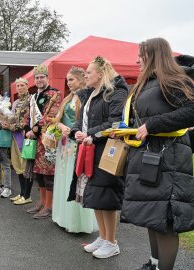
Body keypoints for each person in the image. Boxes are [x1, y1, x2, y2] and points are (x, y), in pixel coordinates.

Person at [120, 38, 194, 270]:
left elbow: (191, 111)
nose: (136, 60)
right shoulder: (146, 83)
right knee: (152, 214)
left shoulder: (173, 79)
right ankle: (153, 264)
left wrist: (153, 125)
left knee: (166, 221)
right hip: (149, 158)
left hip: (168, 161)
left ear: (153, 55)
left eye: (141, 55)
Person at [70, 56, 128, 258]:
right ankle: (103, 237)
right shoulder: (91, 94)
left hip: (105, 152)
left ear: (101, 74)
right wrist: (76, 131)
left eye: (88, 72)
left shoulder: (115, 92)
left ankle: (112, 242)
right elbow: (81, 120)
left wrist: (90, 134)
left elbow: (114, 122)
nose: (85, 75)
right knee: (95, 196)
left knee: (106, 197)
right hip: (89, 150)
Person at [52, 67, 97, 233]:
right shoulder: (68, 98)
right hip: (65, 144)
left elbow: (87, 122)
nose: (68, 83)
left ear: (81, 79)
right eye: (67, 80)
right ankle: (63, 217)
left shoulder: (87, 98)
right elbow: (57, 120)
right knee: (64, 178)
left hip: (77, 144)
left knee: (75, 178)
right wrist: (62, 126)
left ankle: (77, 222)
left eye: (71, 79)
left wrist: (73, 132)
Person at [25, 65, 62, 219]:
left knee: (48, 174)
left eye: (42, 77)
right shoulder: (33, 97)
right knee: (38, 173)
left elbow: (51, 116)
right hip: (34, 139)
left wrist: (34, 130)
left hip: (47, 139)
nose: (39, 80)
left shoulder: (54, 94)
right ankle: (42, 201)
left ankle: (49, 206)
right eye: (37, 77)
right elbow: (28, 115)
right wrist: (26, 128)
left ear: (47, 78)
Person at [5, 78, 33, 205]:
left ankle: (27, 195)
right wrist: (5, 121)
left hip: (24, 136)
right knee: (17, 166)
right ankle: (22, 193)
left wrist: (10, 126)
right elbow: (12, 118)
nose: (20, 88)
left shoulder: (31, 100)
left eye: (22, 85)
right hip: (14, 136)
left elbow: (28, 120)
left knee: (25, 165)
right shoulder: (15, 102)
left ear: (27, 86)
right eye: (18, 86)